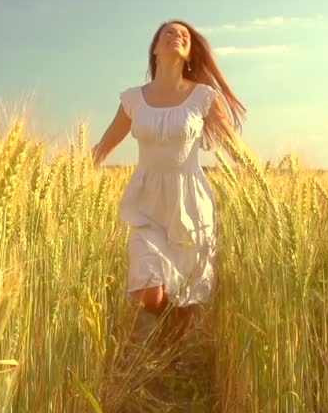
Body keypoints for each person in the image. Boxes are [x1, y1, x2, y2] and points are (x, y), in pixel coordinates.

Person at [91, 19, 255, 345]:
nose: (176, 36)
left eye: (184, 35)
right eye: (168, 32)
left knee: (187, 292)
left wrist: (258, 176)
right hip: (147, 201)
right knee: (150, 292)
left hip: (190, 200)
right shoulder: (134, 99)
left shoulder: (203, 97)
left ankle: (171, 354)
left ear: (190, 53)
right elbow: (105, 145)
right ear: (155, 49)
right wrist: (71, 175)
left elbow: (232, 143)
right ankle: (166, 332)